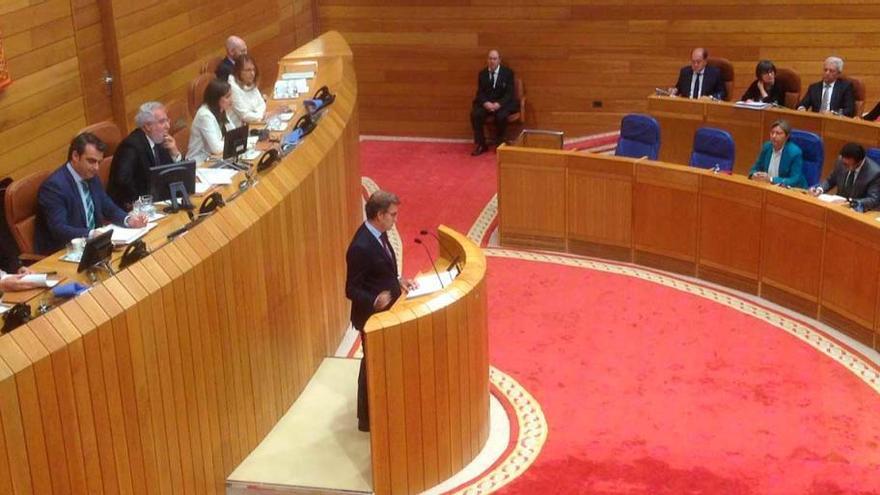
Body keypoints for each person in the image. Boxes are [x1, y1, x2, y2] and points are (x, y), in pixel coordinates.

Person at [345, 191, 416, 432]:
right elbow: (351, 288)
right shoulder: (361, 246)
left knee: (383, 361)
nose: (396, 219)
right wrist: (374, 299)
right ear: (379, 215)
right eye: (393, 215)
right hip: (371, 317)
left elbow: (382, 271)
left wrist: (399, 281)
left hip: (388, 312)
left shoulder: (380, 235)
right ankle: (366, 419)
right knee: (372, 364)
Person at [35, 133, 148, 255]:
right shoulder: (55, 187)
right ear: (75, 156)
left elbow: (107, 205)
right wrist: (90, 234)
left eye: (99, 162)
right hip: (67, 251)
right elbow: (59, 229)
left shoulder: (91, 176)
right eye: (91, 161)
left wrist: (128, 219)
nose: (96, 168)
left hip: (96, 247)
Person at [108, 101, 182, 211]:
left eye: (167, 120)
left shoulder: (159, 140)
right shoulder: (131, 146)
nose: (168, 126)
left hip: (158, 201)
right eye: (162, 122)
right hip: (135, 209)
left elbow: (175, 174)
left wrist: (175, 153)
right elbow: (122, 182)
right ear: (147, 126)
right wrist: (145, 203)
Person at [470, 49, 519, 156]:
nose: (492, 61)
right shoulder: (482, 74)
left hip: (502, 104)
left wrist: (498, 104)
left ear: (499, 60)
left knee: (501, 116)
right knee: (475, 114)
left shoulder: (508, 73)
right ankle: (481, 144)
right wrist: (485, 103)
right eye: (490, 59)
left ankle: (500, 143)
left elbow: (509, 93)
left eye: (494, 59)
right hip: (487, 104)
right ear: (487, 60)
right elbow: (480, 93)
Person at [810, 143, 880, 211]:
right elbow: (830, 181)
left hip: (858, 211)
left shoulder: (874, 173)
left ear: (860, 162)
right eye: (844, 164)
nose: (844, 167)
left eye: (847, 165)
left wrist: (850, 202)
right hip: (837, 207)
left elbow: (873, 200)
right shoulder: (841, 161)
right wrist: (820, 189)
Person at [748, 120, 806, 188]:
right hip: (768, 187)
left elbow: (795, 180)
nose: (774, 136)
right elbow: (754, 169)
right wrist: (754, 175)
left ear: (787, 137)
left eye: (778, 133)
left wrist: (771, 179)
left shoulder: (795, 153)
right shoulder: (767, 147)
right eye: (772, 133)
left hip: (790, 191)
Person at [187, 79, 234, 163]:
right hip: (199, 162)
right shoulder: (204, 115)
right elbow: (216, 148)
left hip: (215, 158)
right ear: (216, 99)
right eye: (227, 97)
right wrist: (232, 142)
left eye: (231, 95)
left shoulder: (221, 109)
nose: (231, 100)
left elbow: (234, 133)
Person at [228, 53, 267, 127]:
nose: (252, 73)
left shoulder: (249, 82)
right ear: (239, 72)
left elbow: (261, 103)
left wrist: (260, 115)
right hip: (239, 130)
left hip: (257, 122)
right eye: (248, 70)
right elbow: (245, 115)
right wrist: (261, 116)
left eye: (253, 70)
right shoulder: (232, 88)